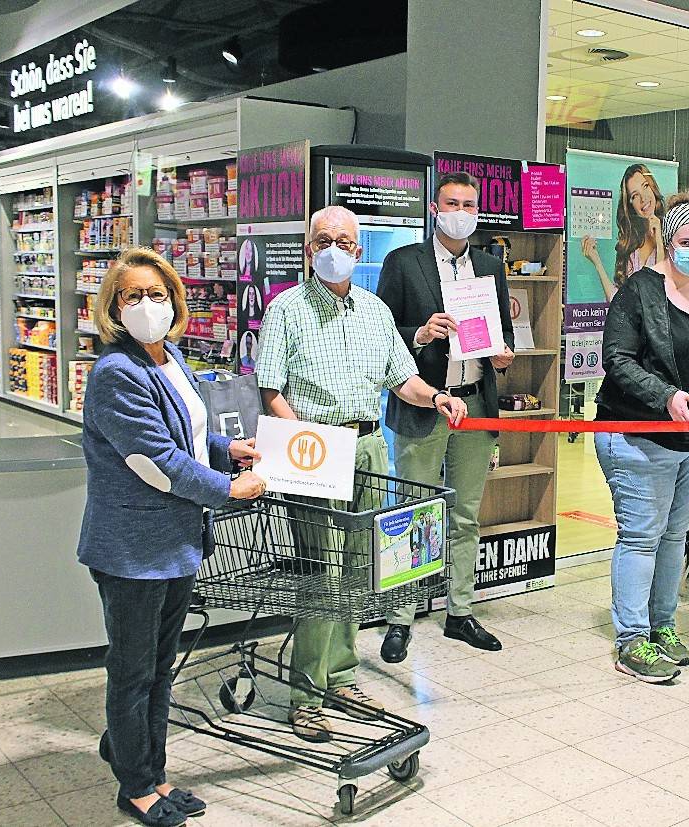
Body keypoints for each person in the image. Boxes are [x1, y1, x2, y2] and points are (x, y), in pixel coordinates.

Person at [256, 205, 466, 742]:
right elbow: (271, 389)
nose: (334, 248)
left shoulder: (373, 311)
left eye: (344, 241)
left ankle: (344, 676)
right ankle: (308, 692)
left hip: (369, 444)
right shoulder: (286, 309)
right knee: (320, 575)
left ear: (356, 250)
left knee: (356, 571)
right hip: (311, 447)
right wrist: (307, 441)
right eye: (323, 239)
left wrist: (437, 396)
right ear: (309, 249)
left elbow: (403, 380)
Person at [77, 247, 265, 827]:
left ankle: (152, 771)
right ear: (112, 306)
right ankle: (135, 786)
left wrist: (226, 451)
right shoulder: (116, 373)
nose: (146, 305)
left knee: (160, 667)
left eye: (156, 294)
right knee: (134, 670)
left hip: (176, 543)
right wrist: (228, 489)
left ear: (174, 302)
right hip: (132, 550)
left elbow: (188, 433)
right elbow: (156, 462)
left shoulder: (171, 359)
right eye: (132, 295)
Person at [596, 193, 689, 682]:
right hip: (643, 439)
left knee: (674, 537)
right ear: (667, 239)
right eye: (686, 242)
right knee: (641, 536)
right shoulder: (637, 291)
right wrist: (666, 396)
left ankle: (662, 625)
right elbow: (617, 360)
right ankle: (631, 639)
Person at [375, 172, 514, 663]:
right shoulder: (402, 261)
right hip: (422, 402)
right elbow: (381, 330)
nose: (461, 210)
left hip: (475, 400)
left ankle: (460, 610)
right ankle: (399, 617)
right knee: (410, 514)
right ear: (435, 209)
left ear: (479, 211)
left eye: (469, 203)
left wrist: (503, 355)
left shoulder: (490, 266)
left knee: (465, 513)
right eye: (452, 202)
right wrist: (421, 332)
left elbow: (502, 333)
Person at [580, 163, 667, 300]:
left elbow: (662, 292)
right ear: (630, 205)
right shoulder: (632, 248)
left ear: (653, 187)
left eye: (645, 186)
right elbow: (618, 301)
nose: (643, 199)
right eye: (634, 195)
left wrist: (660, 243)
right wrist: (597, 261)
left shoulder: (674, 236)